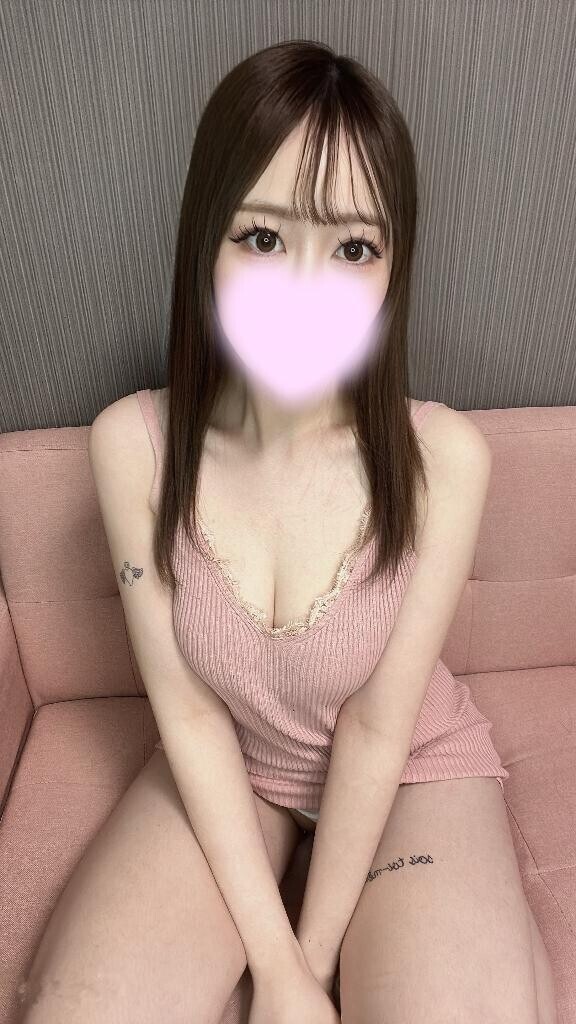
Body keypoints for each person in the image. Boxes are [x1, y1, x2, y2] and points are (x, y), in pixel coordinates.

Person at [18, 39, 557, 1024]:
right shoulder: (132, 445)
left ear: (392, 272)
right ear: (207, 239)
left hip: (409, 771)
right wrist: (275, 968)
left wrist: (304, 966)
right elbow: (189, 716)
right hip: (233, 771)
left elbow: (377, 727)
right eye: (263, 237)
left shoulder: (444, 459)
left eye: (353, 249)